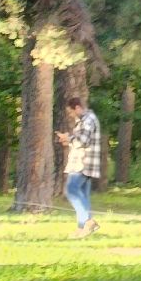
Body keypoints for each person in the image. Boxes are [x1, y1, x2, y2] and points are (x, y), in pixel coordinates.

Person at [56, 96, 101, 238]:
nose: (71, 115)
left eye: (71, 112)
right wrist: (68, 140)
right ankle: (82, 229)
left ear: (77, 108)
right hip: (82, 162)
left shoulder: (88, 119)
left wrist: (68, 138)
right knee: (83, 196)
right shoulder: (83, 120)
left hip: (83, 163)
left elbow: (83, 140)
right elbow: (80, 140)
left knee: (71, 190)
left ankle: (88, 221)